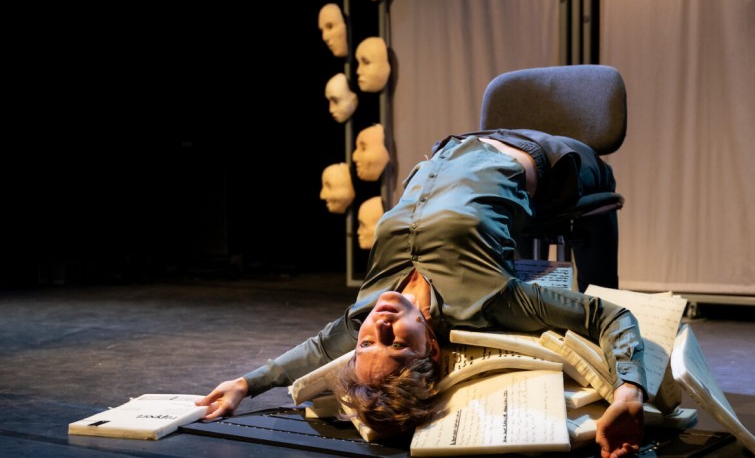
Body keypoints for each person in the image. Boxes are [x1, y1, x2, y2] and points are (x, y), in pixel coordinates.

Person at [198, 130, 645, 458]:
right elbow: (610, 316)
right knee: (597, 184)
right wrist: (629, 393)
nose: (379, 325)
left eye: (366, 344)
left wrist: (244, 385)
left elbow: (315, 351)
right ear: (430, 345)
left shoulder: (364, 312)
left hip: (454, 142)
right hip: (550, 156)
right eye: (396, 344)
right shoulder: (488, 300)